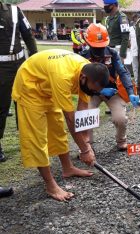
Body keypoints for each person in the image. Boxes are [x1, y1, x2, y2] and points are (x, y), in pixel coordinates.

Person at [12, 49, 110, 201]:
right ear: (83, 78)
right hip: (29, 86)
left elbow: (81, 112)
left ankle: (68, 168)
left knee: (57, 130)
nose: (92, 92)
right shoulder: (63, 76)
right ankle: (51, 185)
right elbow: (70, 119)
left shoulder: (87, 71)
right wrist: (84, 150)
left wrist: (86, 145)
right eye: (92, 89)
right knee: (37, 138)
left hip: (48, 88)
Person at [82, 23, 140, 150]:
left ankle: (121, 141)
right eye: (95, 46)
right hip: (91, 93)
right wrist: (100, 91)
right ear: (88, 41)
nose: (99, 50)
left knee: (120, 118)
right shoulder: (83, 56)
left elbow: (123, 72)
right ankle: (87, 147)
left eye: (101, 46)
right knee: (85, 117)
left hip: (112, 92)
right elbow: (80, 82)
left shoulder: (112, 53)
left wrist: (131, 92)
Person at [0, 1, 37, 163]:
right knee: (1, 106)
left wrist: (35, 59)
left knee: (24, 102)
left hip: (21, 63)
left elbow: (28, 35)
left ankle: (26, 139)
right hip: (1, 68)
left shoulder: (14, 10)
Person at [130, 14, 140, 83]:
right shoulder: (130, 29)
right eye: (137, 19)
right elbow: (128, 40)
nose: (138, 20)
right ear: (134, 19)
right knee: (135, 68)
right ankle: (136, 82)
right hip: (133, 51)